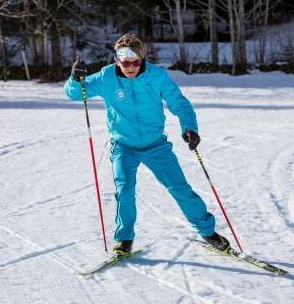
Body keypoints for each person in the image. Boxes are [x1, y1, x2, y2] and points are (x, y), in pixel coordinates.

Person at [64, 33, 230, 255]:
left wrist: (189, 127)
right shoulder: (106, 78)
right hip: (123, 146)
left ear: (141, 60)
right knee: (124, 191)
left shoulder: (156, 76)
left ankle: (208, 232)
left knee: (179, 188)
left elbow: (179, 103)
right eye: (125, 63)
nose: (131, 67)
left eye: (135, 62)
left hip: (156, 145)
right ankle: (124, 240)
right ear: (117, 60)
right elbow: (76, 94)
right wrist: (75, 79)